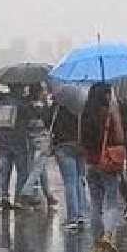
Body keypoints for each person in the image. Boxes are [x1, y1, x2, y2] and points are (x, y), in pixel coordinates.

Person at [80, 83, 126, 252]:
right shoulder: (109, 113)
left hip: (90, 162)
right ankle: (108, 235)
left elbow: (81, 139)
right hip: (107, 161)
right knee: (112, 201)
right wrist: (116, 115)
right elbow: (120, 137)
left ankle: (97, 242)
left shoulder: (85, 114)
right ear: (106, 95)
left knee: (96, 204)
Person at [0, 84, 32, 211]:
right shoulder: (22, 103)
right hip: (18, 140)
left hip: (3, 140)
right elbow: (30, 115)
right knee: (22, 171)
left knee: (5, 169)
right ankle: (18, 200)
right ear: (18, 88)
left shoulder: (2, 101)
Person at [48, 93, 87, 231]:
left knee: (70, 182)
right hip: (80, 147)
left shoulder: (58, 109)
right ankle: (81, 215)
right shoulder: (82, 109)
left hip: (63, 146)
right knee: (79, 180)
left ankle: (72, 217)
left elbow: (49, 124)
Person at [18, 83, 59, 210]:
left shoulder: (26, 105)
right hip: (42, 139)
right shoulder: (44, 107)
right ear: (39, 92)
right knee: (39, 166)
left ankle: (48, 195)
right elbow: (48, 121)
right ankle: (26, 190)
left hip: (29, 138)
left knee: (40, 168)